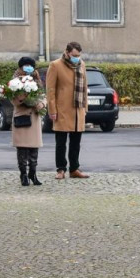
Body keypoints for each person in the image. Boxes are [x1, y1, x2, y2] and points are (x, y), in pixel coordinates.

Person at [46, 41, 90, 180]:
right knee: (61, 142)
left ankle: (74, 169)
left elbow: (84, 87)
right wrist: (52, 110)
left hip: (78, 109)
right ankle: (61, 169)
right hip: (62, 109)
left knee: (76, 142)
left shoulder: (82, 64)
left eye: (78, 55)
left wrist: (85, 108)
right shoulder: (55, 65)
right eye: (74, 55)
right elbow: (50, 90)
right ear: (67, 52)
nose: (76, 57)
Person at [9, 56, 44, 187]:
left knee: (34, 148)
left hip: (34, 118)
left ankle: (33, 173)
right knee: (22, 149)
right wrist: (29, 99)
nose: (29, 68)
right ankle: (23, 174)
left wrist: (42, 104)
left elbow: (43, 95)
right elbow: (14, 100)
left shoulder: (37, 79)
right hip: (22, 117)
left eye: (31, 65)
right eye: (26, 65)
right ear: (20, 67)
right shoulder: (14, 81)